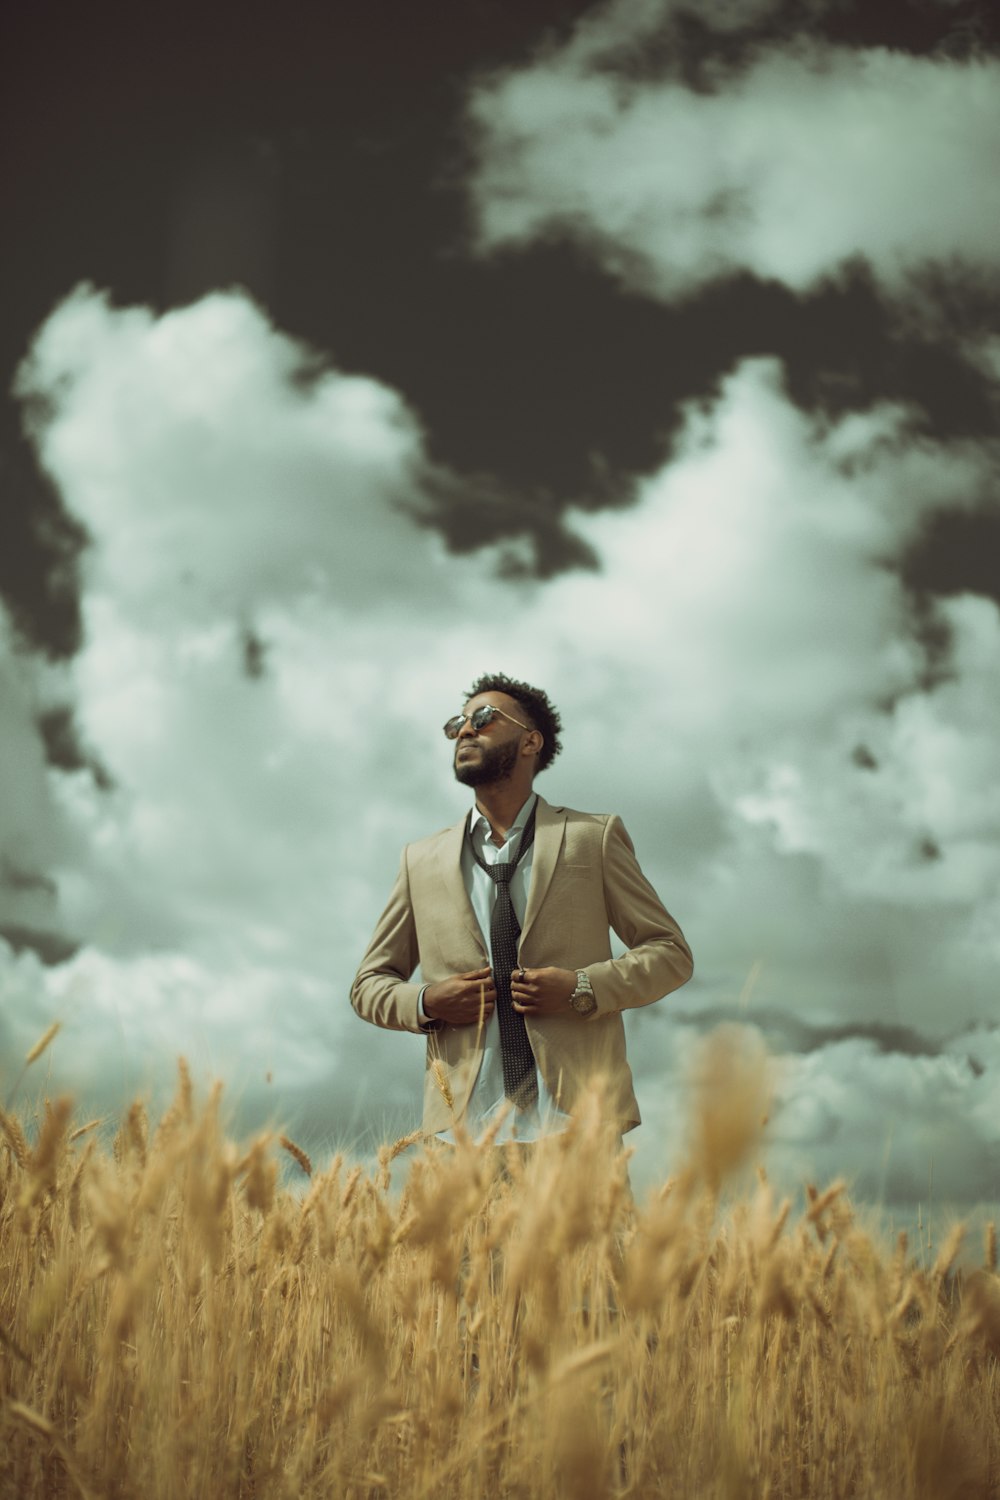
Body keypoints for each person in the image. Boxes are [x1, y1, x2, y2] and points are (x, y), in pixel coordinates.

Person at [350, 673, 694, 1143]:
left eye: (484, 718)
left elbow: (670, 952)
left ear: (531, 741)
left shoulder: (592, 837)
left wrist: (581, 986)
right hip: (461, 1135)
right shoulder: (420, 859)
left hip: (578, 1125)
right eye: (457, 724)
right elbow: (368, 985)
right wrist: (429, 1001)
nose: (466, 730)